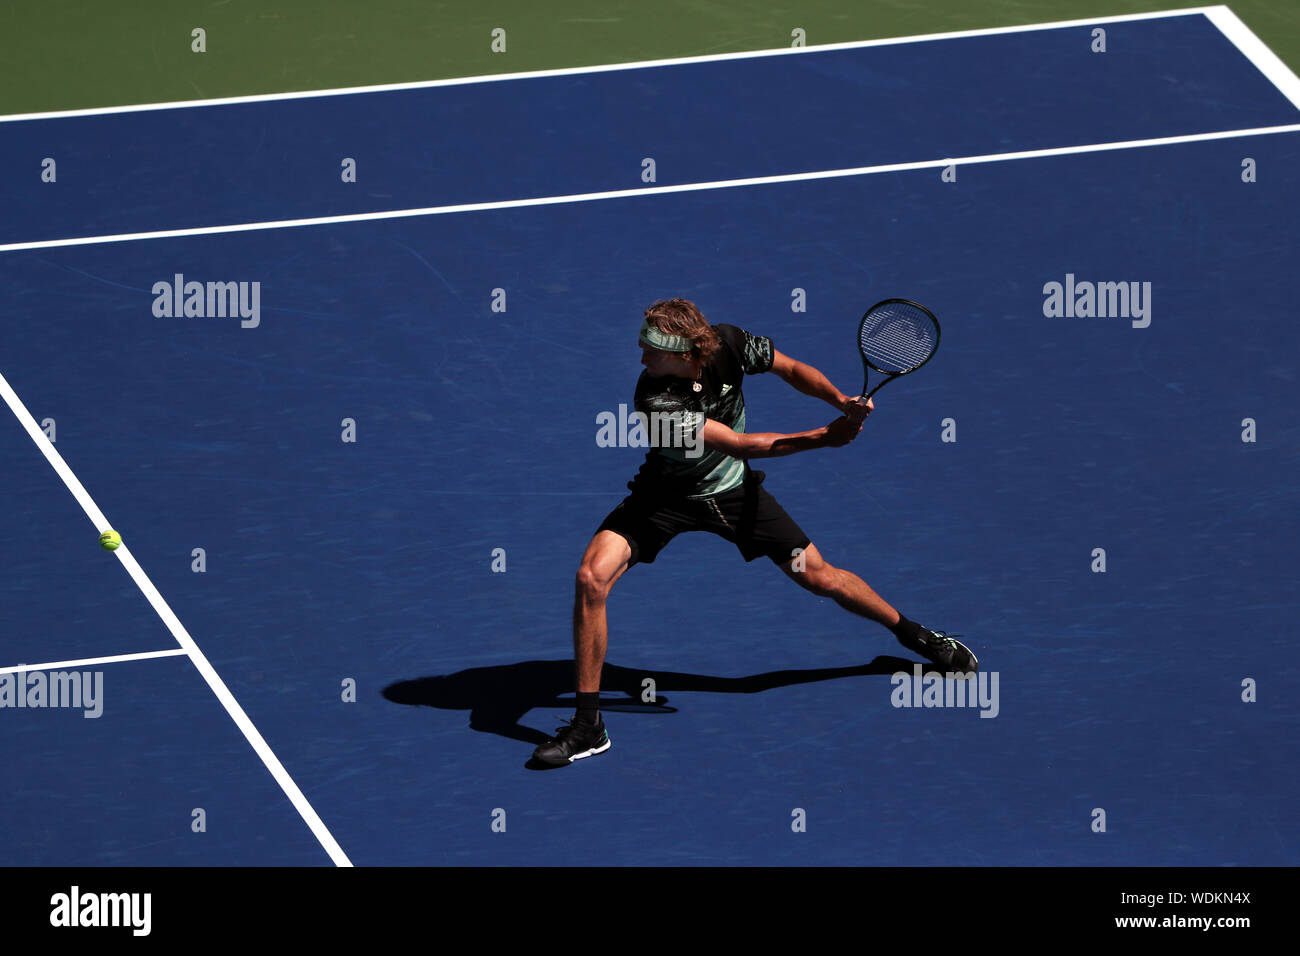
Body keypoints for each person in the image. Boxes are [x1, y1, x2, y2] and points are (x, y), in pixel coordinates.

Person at [532, 298, 977, 766]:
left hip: (732, 495)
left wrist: (840, 401)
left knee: (819, 577)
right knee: (590, 577)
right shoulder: (654, 399)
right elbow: (742, 444)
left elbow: (792, 369)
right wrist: (826, 437)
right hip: (664, 498)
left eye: (651, 350)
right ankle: (588, 727)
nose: (641, 359)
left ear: (686, 353)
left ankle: (917, 637)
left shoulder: (730, 340)